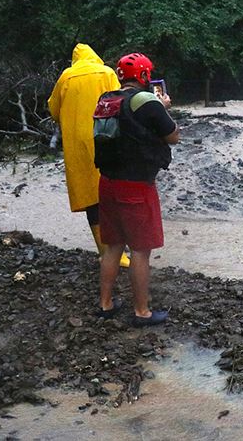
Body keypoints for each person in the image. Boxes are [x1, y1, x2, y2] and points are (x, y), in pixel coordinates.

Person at [94, 52, 179, 326]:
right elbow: (173, 136)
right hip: (137, 187)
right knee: (141, 251)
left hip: (107, 183)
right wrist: (164, 107)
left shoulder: (106, 99)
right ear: (144, 77)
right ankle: (142, 311)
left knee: (112, 247)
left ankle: (105, 304)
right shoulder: (148, 101)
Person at [48, 43, 130, 268]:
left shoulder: (66, 77)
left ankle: (106, 253)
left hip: (78, 147)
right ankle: (122, 251)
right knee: (113, 194)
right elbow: (122, 101)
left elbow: (54, 110)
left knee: (91, 199)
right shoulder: (106, 73)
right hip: (107, 139)